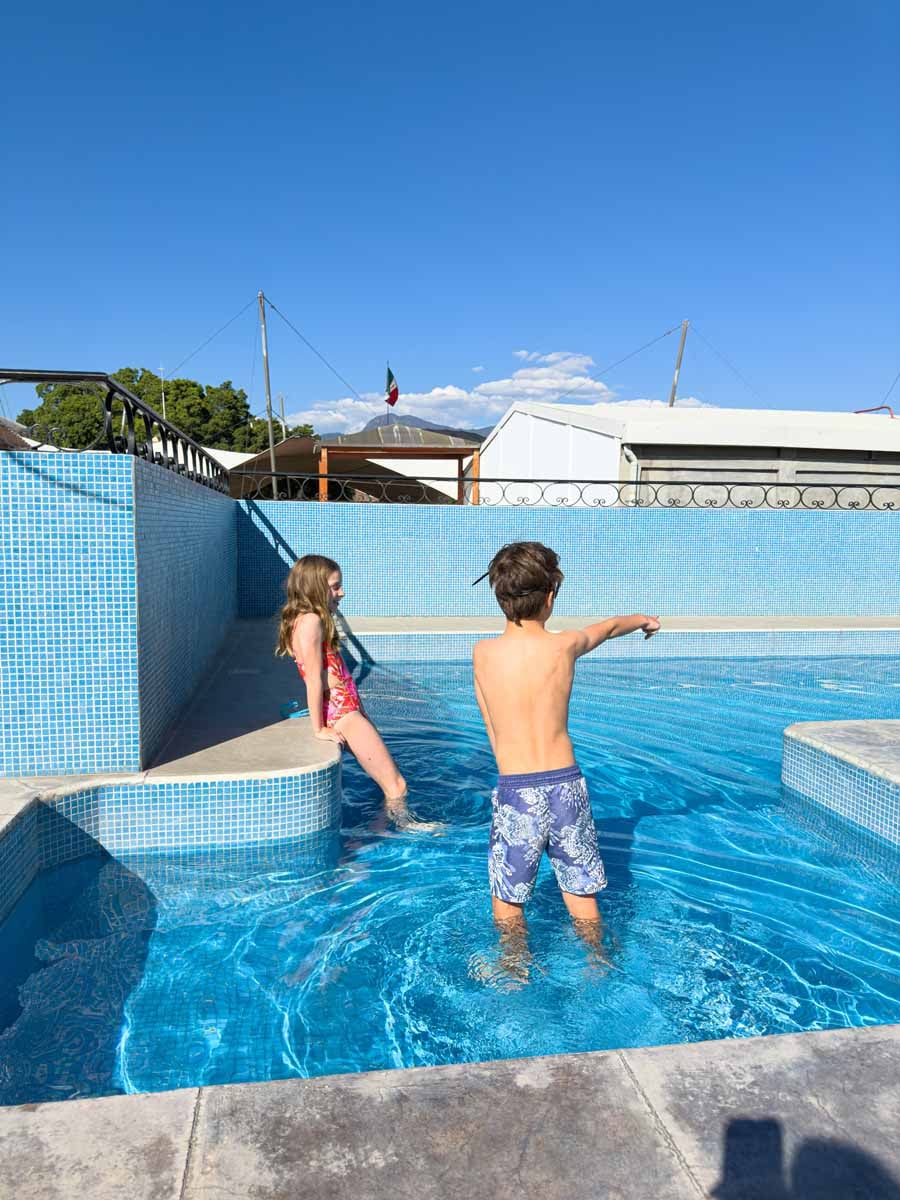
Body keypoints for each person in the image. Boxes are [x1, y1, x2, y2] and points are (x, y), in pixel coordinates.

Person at [472, 541, 660, 943]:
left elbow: (490, 724)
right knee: (580, 891)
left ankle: (513, 968)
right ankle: (598, 960)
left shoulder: (483, 653)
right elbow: (609, 628)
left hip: (516, 788)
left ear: (499, 595)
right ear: (551, 596)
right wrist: (644, 619)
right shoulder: (564, 645)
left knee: (508, 898)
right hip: (566, 784)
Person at [277, 554, 430, 830]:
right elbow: (313, 680)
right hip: (342, 712)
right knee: (396, 784)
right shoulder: (310, 622)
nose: (341, 593)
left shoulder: (310, 619)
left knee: (388, 783)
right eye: (335, 587)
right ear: (314, 587)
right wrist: (319, 728)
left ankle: (382, 830)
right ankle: (404, 828)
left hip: (347, 707)